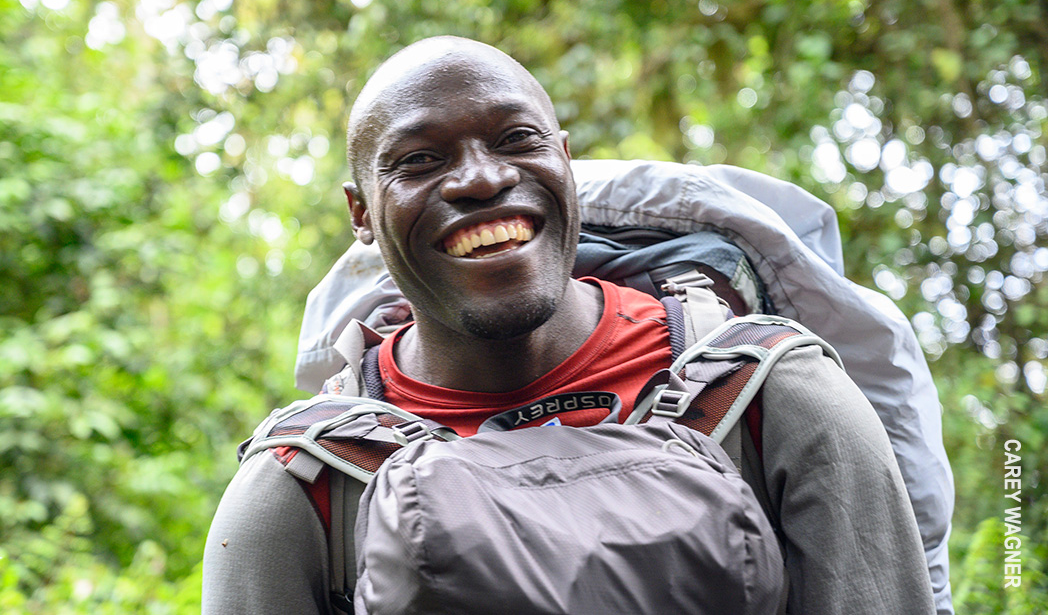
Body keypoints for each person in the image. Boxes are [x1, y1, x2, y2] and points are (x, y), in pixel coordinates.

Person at [202, 36, 936, 614]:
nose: (481, 179)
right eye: (421, 159)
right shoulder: (304, 491)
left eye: (516, 139)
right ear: (361, 212)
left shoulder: (777, 400)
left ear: (565, 159)